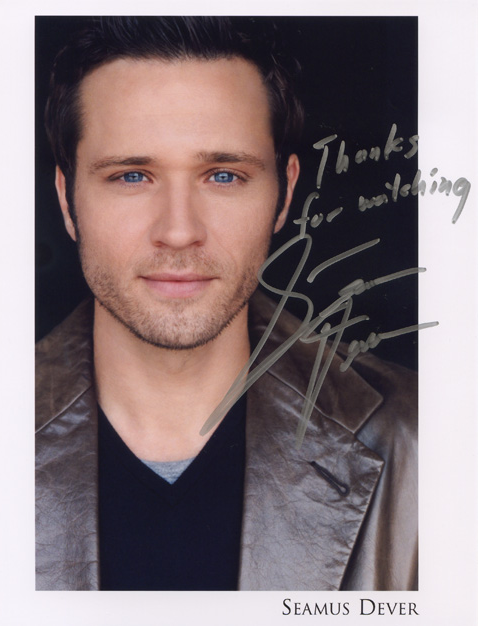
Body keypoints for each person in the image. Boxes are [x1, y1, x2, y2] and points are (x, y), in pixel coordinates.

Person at [36, 16, 417, 591]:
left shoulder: (428, 439)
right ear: (68, 201)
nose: (179, 231)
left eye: (223, 176)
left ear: (284, 195)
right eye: (132, 176)